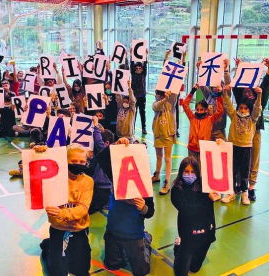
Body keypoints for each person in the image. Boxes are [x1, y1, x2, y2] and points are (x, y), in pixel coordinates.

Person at [96, 137, 154, 276]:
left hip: (133, 234)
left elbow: (150, 212)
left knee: (141, 272)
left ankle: (145, 240)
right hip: (113, 231)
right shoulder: (116, 175)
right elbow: (102, 158)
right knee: (111, 264)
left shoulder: (144, 183)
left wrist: (142, 208)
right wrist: (116, 145)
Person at [40, 143, 93, 276]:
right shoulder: (54, 178)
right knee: (58, 273)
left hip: (79, 228)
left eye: (82, 161)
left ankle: (52, 246)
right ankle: (48, 248)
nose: (78, 164)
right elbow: (37, 174)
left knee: (81, 270)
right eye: (73, 161)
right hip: (59, 228)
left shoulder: (88, 181)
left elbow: (83, 209)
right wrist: (40, 152)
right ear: (65, 161)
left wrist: (61, 212)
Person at [232, 58, 269, 201]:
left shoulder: (258, 93)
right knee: (238, 159)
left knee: (254, 158)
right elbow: (235, 86)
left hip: (254, 130)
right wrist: (238, 68)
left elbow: (266, 87)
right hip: (240, 132)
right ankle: (238, 185)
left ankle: (251, 187)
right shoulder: (240, 93)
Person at [171, 157, 216, 276]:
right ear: (181, 172)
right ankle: (178, 248)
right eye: (186, 171)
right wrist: (207, 199)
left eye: (193, 171)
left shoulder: (204, 184)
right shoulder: (176, 189)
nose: (190, 175)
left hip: (205, 232)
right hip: (187, 233)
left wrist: (220, 141)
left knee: (195, 268)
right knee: (180, 272)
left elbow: (217, 166)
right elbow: (188, 211)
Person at [221, 85, 262, 205]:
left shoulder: (252, 119)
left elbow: (257, 108)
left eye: (245, 109)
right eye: (241, 108)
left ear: (249, 110)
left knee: (244, 172)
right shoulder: (234, 116)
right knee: (232, 170)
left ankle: (244, 193)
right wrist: (225, 93)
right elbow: (228, 104)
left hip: (246, 148)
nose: (242, 110)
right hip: (233, 146)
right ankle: (231, 192)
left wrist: (259, 95)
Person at [183, 83, 224, 160]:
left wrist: (219, 95)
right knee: (193, 169)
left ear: (206, 110)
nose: (199, 111)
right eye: (197, 109)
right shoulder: (192, 117)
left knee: (201, 170)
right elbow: (185, 104)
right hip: (191, 148)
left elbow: (220, 111)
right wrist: (192, 92)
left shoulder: (210, 119)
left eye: (201, 110)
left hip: (204, 148)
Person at [197, 59, 231, 141]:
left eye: (217, 86)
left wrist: (226, 71)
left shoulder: (225, 97)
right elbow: (202, 85)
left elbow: (228, 85)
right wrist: (200, 70)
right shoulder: (209, 95)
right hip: (208, 129)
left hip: (219, 132)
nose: (215, 88)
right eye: (213, 86)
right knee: (207, 152)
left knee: (220, 152)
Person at [152, 90, 178, 195]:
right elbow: (157, 106)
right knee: (158, 157)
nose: (157, 96)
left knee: (167, 158)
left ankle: (167, 182)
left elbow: (174, 94)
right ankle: (157, 175)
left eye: (159, 95)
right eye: (156, 95)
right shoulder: (155, 104)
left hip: (168, 135)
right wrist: (164, 99)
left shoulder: (171, 103)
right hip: (158, 134)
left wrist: (170, 94)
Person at [130, 49, 148, 134]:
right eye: (136, 68)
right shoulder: (133, 74)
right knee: (134, 112)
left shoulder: (143, 74)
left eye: (139, 68)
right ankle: (132, 127)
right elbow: (131, 65)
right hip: (134, 96)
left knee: (142, 112)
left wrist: (146, 55)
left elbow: (145, 65)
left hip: (142, 96)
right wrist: (131, 55)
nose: (138, 69)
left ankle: (143, 127)